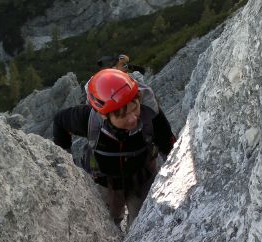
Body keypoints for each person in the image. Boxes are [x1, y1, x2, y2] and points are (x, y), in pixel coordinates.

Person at [52, 68, 176, 228]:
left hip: (142, 179)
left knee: (142, 224)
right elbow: (60, 122)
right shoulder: (88, 118)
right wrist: (64, 160)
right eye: (122, 116)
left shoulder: (150, 114)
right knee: (108, 223)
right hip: (105, 182)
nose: (132, 119)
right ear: (104, 115)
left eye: (134, 108)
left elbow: (168, 143)